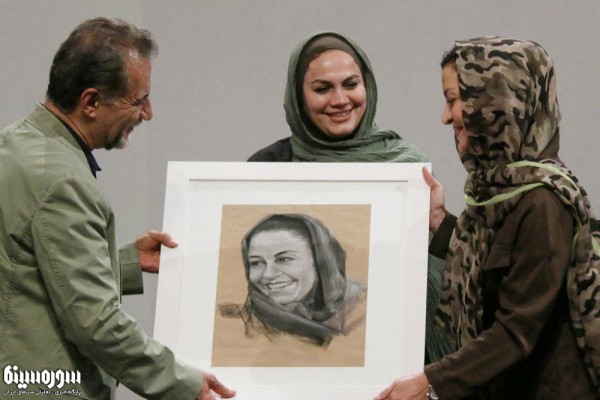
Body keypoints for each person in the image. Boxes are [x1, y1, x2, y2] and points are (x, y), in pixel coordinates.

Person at [0, 18, 235, 400]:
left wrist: (125, 262)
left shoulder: (15, 145)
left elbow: (27, 268)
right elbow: (97, 323)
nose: (147, 113)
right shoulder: (63, 181)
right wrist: (184, 384)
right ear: (91, 102)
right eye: (137, 101)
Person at [375, 37, 600, 400]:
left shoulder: (544, 202)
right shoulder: (502, 190)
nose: (445, 116)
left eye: (453, 100)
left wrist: (430, 382)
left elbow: (516, 331)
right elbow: (492, 268)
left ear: (496, 103)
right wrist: (439, 221)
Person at [248, 31, 453, 363]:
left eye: (351, 84)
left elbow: (442, 274)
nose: (340, 100)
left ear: (366, 86)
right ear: (298, 97)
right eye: (322, 89)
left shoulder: (405, 167)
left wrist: (438, 222)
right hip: (295, 361)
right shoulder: (268, 168)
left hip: (396, 359)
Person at [219, 213, 366, 347]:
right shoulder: (231, 322)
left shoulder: (365, 312)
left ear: (320, 260)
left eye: (284, 259)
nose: (268, 274)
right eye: (256, 262)